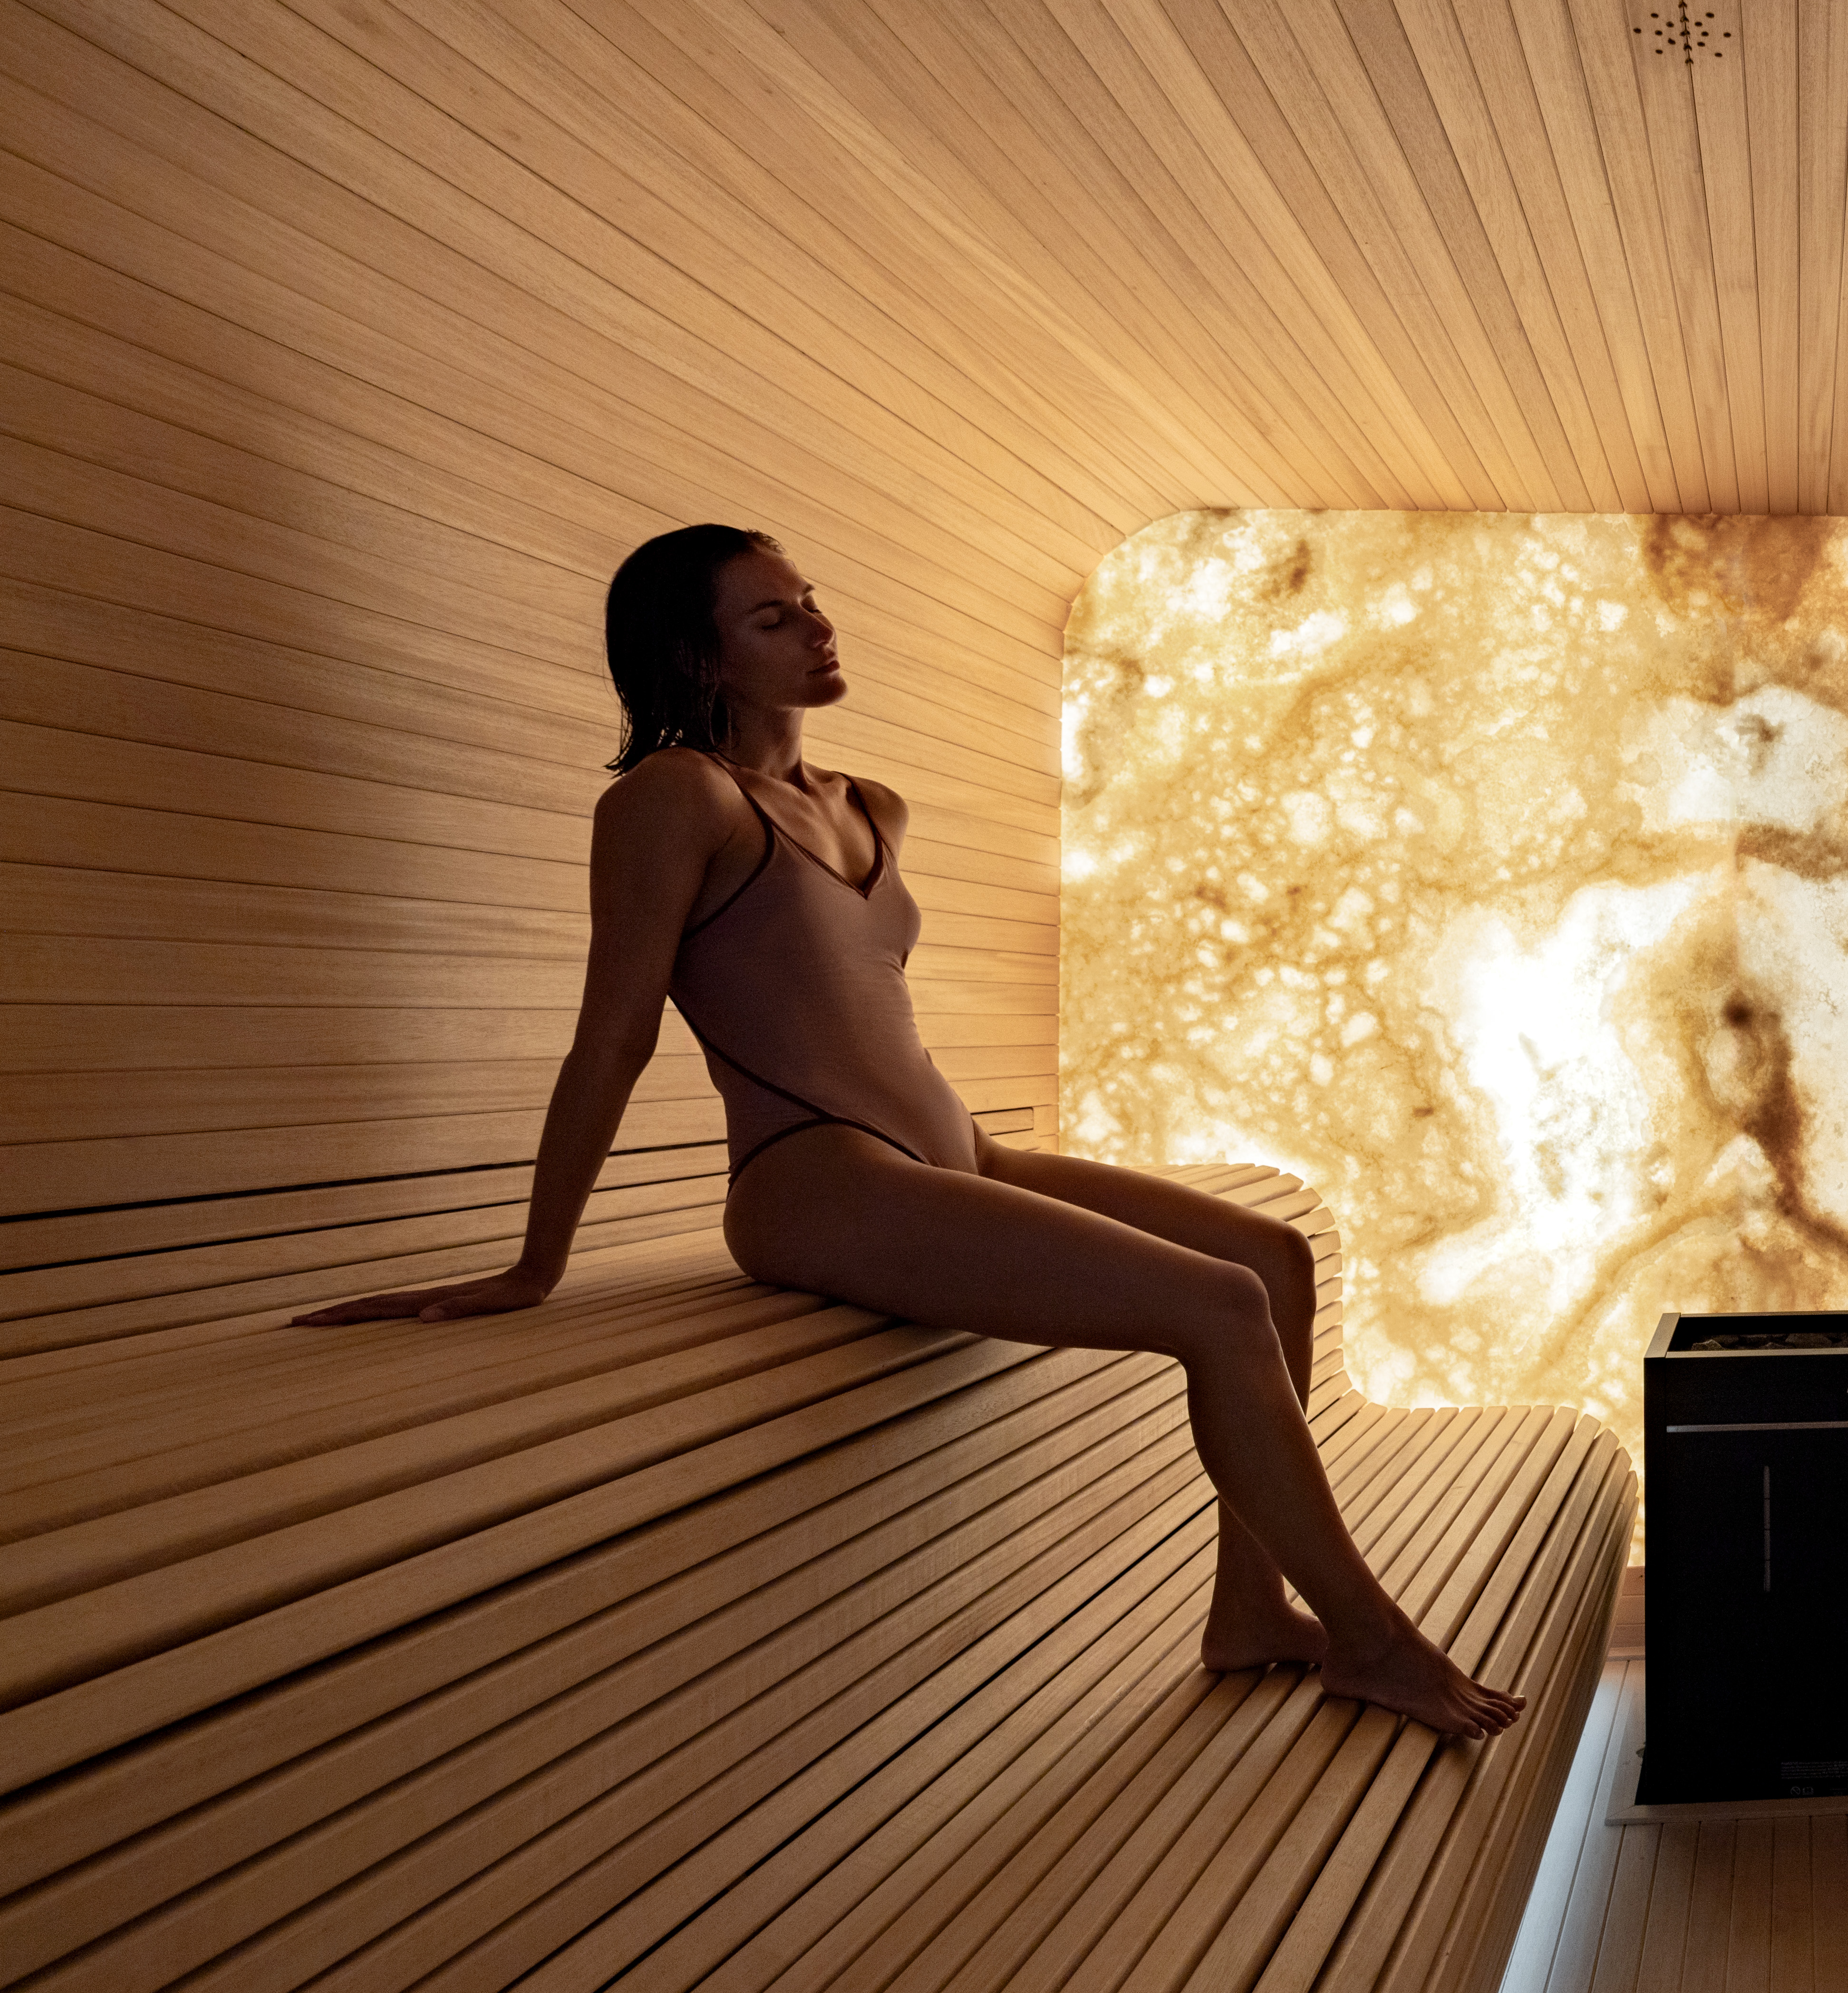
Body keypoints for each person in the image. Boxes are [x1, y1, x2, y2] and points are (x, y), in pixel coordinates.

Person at [300, 525, 1520, 1741]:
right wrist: (536, 1262)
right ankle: (1370, 1637)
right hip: (817, 1177)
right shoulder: (674, 798)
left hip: (956, 1151)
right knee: (1217, 1302)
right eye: (770, 618)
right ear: (699, 656)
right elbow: (612, 1034)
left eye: (809, 601)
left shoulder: (867, 803)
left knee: (1275, 1257)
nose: (817, 627)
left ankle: (1249, 1608)